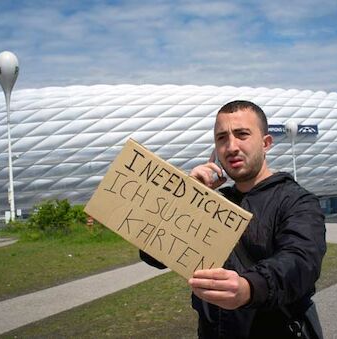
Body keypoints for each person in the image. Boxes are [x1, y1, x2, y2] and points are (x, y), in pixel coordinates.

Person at [140, 100, 326, 338]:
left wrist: (250, 287)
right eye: (222, 138)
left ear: (266, 143)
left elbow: (301, 261)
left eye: (242, 135)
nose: (231, 147)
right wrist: (186, 197)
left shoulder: (296, 201)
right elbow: (153, 255)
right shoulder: (212, 203)